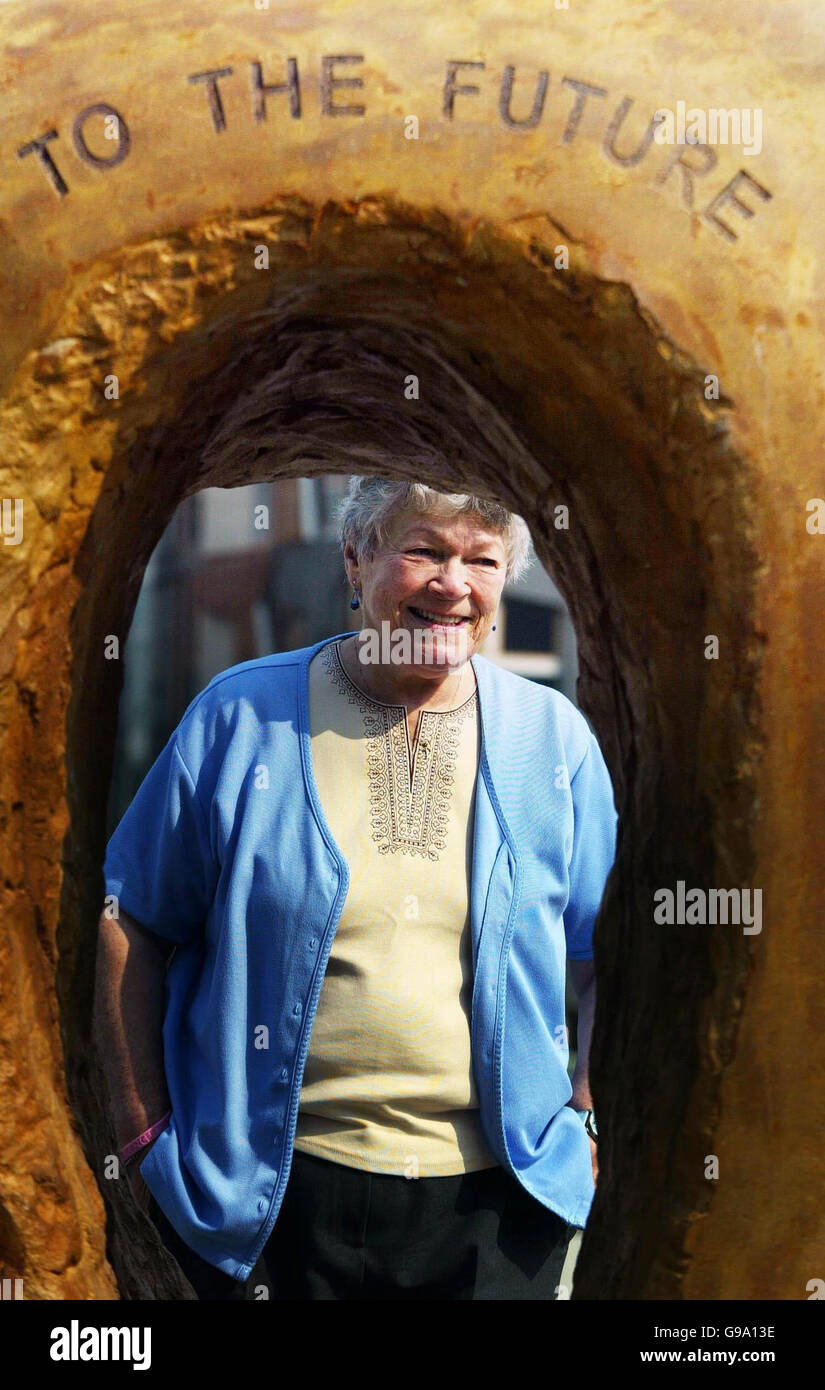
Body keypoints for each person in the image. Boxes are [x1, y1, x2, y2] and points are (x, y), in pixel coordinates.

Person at [94, 475, 617, 1300]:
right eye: (423, 551)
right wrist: (143, 1136)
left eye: (481, 559)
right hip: (272, 1202)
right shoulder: (243, 718)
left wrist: (587, 1115)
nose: (453, 584)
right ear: (354, 558)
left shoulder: (551, 738)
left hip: (498, 1212)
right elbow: (132, 923)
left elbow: (602, 955)